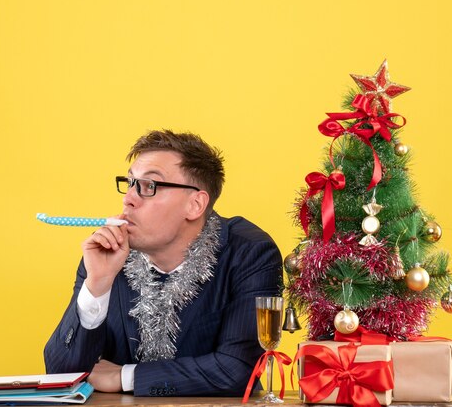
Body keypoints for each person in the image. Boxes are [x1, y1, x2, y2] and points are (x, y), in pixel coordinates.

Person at [44, 129, 282, 396]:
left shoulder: (250, 253)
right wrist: (97, 285)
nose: (128, 199)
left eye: (149, 186)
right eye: (131, 183)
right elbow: (62, 375)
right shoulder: (104, 255)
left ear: (195, 204)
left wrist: (125, 377)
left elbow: (237, 369)